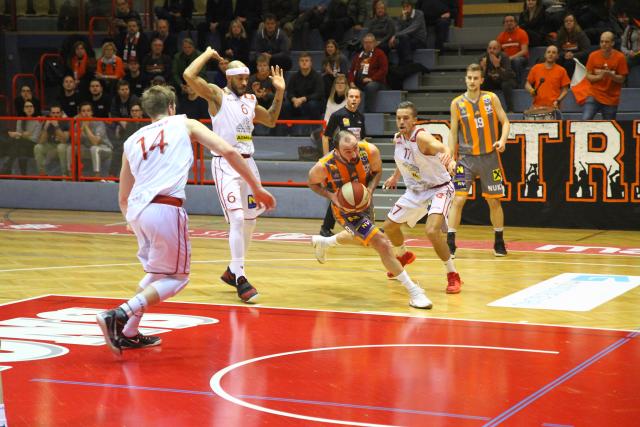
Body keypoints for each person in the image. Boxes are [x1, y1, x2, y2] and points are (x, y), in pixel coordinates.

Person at [96, 85, 276, 356]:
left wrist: (132, 221)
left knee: (157, 274)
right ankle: (118, 314)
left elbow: (123, 196)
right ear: (171, 107)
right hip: (165, 207)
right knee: (178, 278)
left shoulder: (132, 141)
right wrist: (257, 187)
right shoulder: (184, 123)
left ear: (147, 112)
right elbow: (228, 151)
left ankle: (129, 332)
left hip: (137, 212)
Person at [183, 47, 285, 303]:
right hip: (225, 164)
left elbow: (271, 120)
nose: (244, 82)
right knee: (237, 218)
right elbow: (189, 75)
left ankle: (232, 269)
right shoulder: (217, 96)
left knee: (250, 221)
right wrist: (207, 54)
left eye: (246, 78)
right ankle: (240, 277)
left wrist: (280, 92)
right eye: (240, 78)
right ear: (229, 78)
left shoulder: (250, 101)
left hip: (248, 164)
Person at [308, 130, 433, 309]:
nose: (354, 154)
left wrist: (370, 190)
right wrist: (331, 196)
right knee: (381, 242)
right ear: (336, 150)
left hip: (364, 202)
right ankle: (414, 292)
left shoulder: (370, 151)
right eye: (348, 151)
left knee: (365, 240)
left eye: (355, 148)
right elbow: (312, 183)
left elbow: (377, 171)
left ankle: (325, 242)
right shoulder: (324, 166)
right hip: (344, 210)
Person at [382, 101, 462, 293]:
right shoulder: (398, 138)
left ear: (414, 120)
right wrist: (395, 176)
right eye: (398, 118)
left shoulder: (421, 137)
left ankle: (453, 274)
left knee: (432, 231)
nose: (401, 121)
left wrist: (450, 160)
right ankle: (403, 256)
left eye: (406, 118)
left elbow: (442, 147)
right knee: (389, 227)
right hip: (416, 191)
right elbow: (403, 161)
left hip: (439, 188)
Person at [447, 63, 511, 258]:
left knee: (494, 201)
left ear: (482, 80)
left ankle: (499, 241)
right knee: (458, 199)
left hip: (490, 158)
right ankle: (450, 243)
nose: (472, 81)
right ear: (465, 79)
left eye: (476, 78)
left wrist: (502, 140)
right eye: (469, 78)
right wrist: (451, 158)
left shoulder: (491, 98)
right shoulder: (457, 103)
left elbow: (505, 121)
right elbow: (453, 132)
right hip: (465, 159)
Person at [319, 85, 365, 237]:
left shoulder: (361, 117)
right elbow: (326, 137)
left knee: (358, 193)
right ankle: (326, 227)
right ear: (347, 98)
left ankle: (363, 226)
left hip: (355, 161)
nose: (354, 99)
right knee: (339, 194)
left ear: (360, 99)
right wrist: (326, 159)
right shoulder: (338, 115)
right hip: (339, 161)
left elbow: (362, 140)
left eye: (356, 97)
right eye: (351, 96)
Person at [582, 31, 628, 120]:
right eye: (601, 41)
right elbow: (588, 76)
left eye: (606, 42)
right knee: (585, 119)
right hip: (594, 94)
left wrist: (611, 75)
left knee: (609, 124)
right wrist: (599, 77)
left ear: (612, 43)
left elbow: (622, 79)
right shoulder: (593, 56)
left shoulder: (620, 57)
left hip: (611, 98)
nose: (603, 44)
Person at [524, 44, 570, 117]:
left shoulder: (561, 70)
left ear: (557, 56)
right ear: (545, 55)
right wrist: (531, 90)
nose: (551, 54)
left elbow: (565, 90)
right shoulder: (536, 68)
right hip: (537, 107)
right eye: (548, 52)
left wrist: (558, 100)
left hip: (553, 108)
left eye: (553, 52)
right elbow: (527, 84)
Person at [348, 32, 388, 112]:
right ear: (363, 44)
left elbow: (384, 70)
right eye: (366, 42)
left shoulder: (380, 53)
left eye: (370, 42)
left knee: (370, 86)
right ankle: (350, 112)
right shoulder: (359, 55)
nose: (368, 44)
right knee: (344, 85)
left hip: (376, 82)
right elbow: (351, 71)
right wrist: (351, 82)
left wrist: (372, 79)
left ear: (375, 43)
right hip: (359, 82)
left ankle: (368, 112)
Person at [479, 40, 517, 113]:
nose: (491, 51)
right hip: (493, 81)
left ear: (499, 49)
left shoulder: (504, 57)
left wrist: (498, 66)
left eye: (494, 48)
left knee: (506, 84)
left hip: (507, 80)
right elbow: (482, 78)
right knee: (482, 84)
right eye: (490, 48)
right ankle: (484, 109)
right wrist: (484, 68)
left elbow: (507, 76)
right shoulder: (484, 58)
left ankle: (510, 109)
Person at [77, 101, 112, 177]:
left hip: (105, 148)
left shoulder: (98, 123)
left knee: (94, 148)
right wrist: (81, 128)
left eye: (88, 111)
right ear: (80, 113)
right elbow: (75, 142)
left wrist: (86, 127)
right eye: (83, 111)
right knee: (70, 148)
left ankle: (97, 176)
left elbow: (95, 142)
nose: (86, 113)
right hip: (88, 148)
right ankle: (69, 175)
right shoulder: (77, 124)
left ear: (92, 112)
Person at [5, 101, 40, 175]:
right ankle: (23, 174)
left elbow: (35, 139)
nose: (29, 108)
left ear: (34, 108)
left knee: (17, 145)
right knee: (21, 148)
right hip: (22, 144)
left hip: (33, 145)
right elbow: (18, 136)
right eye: (26, 107)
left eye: (31, 106)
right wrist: (21, 135)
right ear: (24, 109)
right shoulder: (20, 120)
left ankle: (7, 168)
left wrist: (20, 134)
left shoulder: (38, 121)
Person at [34, 104, 70, 176]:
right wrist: (45, 127)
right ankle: (42, 174)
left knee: (61, 147)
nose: (55, 115)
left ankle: (65, 174)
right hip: (51, 145)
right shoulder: (47, 122)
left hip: (64, 145)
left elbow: (64, 140)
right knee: (38, 147)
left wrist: (56, 126)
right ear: (50, 114)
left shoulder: (65, 122)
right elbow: (41, 141)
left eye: (57, 113)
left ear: (61, 113)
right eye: (53, 113)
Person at [389, 0, 428, 65]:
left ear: (412, 6)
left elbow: (412, 29)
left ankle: (405, 63)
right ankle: (407, 62)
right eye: (404, 7)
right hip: (407, 39)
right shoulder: (403, 16)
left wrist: (395, 35)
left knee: (402, 43)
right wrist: (402, 20)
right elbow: (397, 29)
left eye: (407, 6)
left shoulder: (419, 14)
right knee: (401, 41)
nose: (405, 8)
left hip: (419, 40)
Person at [496, 15, 529, 86]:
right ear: (504, 24)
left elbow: (524, 51)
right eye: (506, 21)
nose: (509, 23)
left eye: (511, 21)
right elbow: (497, 51)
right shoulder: (501, 36)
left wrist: (511, 58)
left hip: (521, 59)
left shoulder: (522, 33)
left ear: (516, 23)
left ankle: (518, 84)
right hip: (507, 60)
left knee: (516, 61)